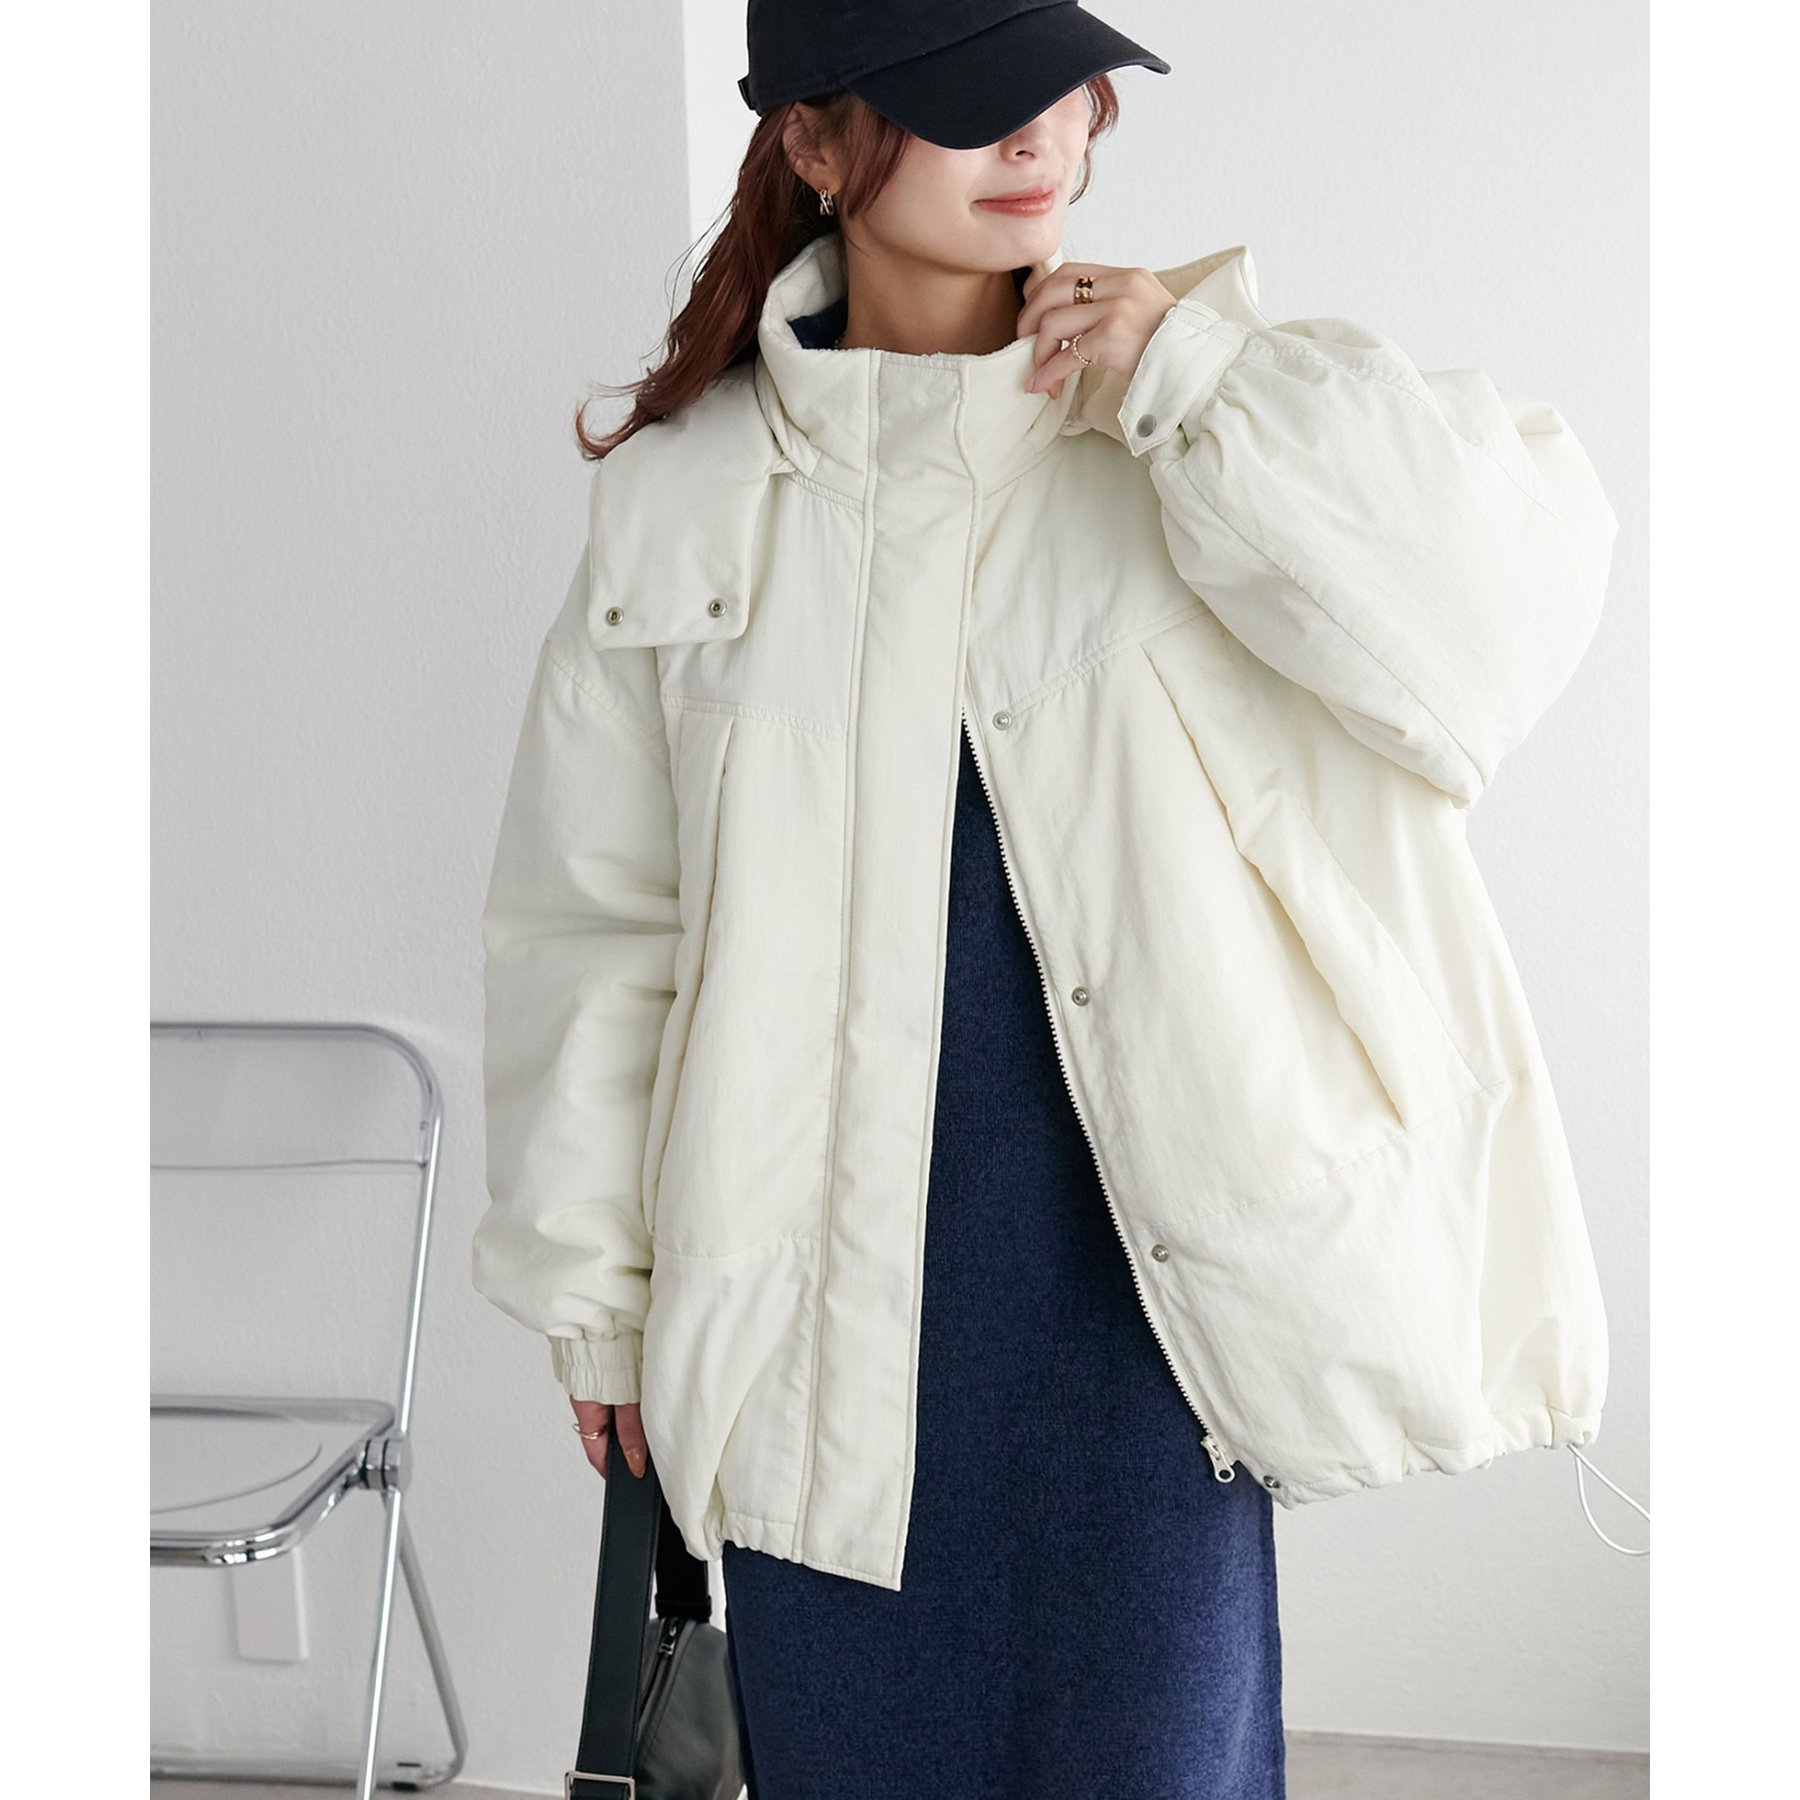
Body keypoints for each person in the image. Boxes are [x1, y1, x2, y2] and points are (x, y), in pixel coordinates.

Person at [471, 3, 1619, 1795]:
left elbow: (1494, 625)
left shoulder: (1193, 416)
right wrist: (594, 1293)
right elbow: (595, 927)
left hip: (1140, 1317)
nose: (1040, 136)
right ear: (817, 142)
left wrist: (1199, 384)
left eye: (1066, 89)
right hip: (805, 1313)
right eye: (968, 99)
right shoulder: (687, 497)